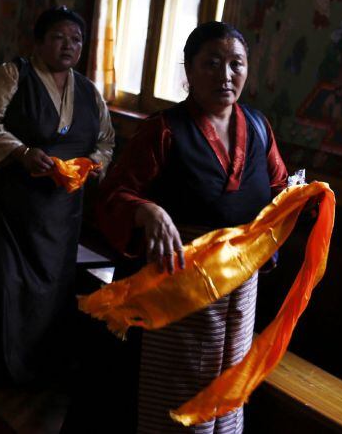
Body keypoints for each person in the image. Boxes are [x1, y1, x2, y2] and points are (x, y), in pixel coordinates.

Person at [96, 21, 288, 433]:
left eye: (236, 63)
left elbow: (278, 191)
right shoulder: (164, 130)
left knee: (226, 390)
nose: (225, 75)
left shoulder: (258, 128)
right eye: (212, 63)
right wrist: (146, 210)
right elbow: (114, 195)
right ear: (189, 68)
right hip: (175, 286)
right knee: (174, 397)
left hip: (238, 291)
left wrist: (302, 202)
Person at [0, 7, 116, 384]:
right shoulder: (13, 75)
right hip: (10, 204)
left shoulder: (88, 91)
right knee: (3, 282)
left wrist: (92, 165)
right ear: (38, 41)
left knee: (51, 289)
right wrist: (21, 153)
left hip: (60, 213)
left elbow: (106, 140)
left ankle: (39, 364)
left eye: (76, 40)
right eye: (59, 37)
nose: (69, 46)